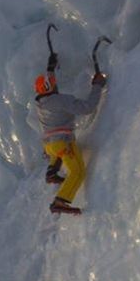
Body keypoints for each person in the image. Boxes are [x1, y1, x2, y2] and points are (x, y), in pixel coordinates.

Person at [35, 69, 106, 214]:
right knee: (78, 172)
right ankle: (59, 202)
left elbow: (51, 88)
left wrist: (51, 67)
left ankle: (52, 171)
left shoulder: (41, 103)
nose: (55, 84)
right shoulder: (60, 100)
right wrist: (97, 85)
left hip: (49, 146)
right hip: (63, 143)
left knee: (59, 155)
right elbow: (87, 108)